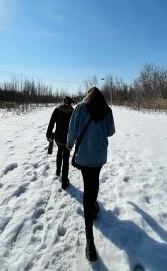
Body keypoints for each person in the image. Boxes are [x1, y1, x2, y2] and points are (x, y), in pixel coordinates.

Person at [66, 87, 115, 262]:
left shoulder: (80, 108)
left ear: (88, 95)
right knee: (93, 183)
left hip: (84, 156)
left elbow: (72, 130)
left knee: (89, 186)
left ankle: (90, 241)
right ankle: (93, 205)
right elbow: (111, 131)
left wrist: (69, 145)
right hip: (99, 156)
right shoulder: (106, 110)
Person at [46, 96, 75, 189]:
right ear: (70, 103)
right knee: (66, 158)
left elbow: (51, 123)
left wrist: (48, 134)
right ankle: (64, 180)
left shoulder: (57, 109)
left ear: (63, 101)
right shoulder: (73, 111)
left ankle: (58, 171)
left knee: (59, 151)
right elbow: (75, 126)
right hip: (68, 138)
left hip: (58, 138)